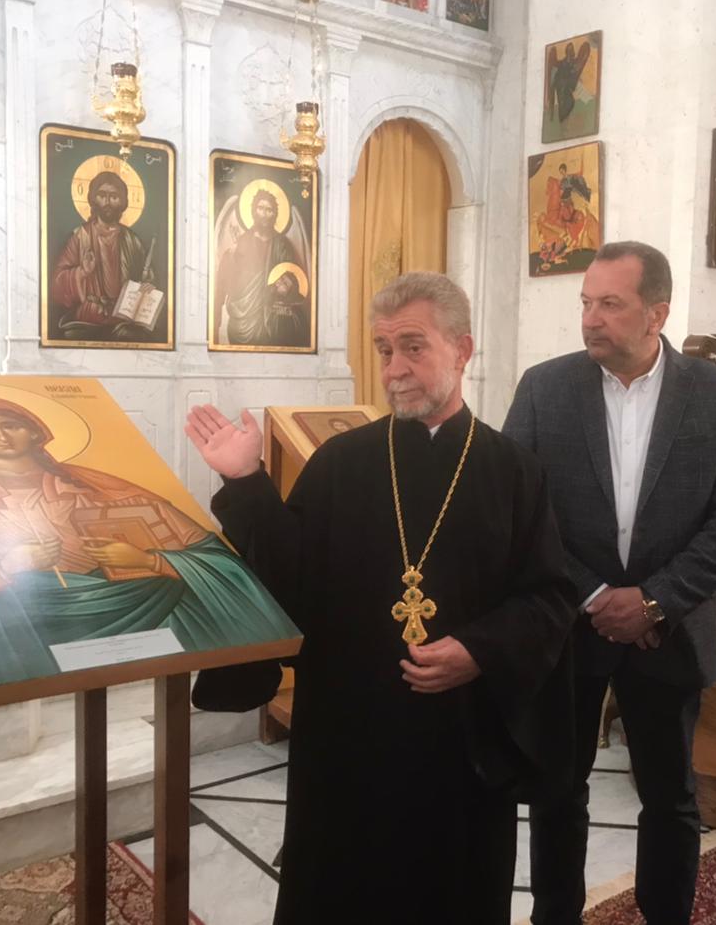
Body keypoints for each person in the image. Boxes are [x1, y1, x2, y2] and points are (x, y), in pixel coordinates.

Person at [185, 272, 577, 925]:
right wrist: (246, 481)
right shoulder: (340, 463)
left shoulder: (515, 472)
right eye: (384, 350)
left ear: (463, 349)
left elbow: (549, 598)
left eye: (413, 347)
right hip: (349, 740)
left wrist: (480, 651)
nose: (394, 369)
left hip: (459, 746)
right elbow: (289, 582)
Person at [503, 241, 716, 925]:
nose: (590, 318)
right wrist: (594, 596)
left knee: (671, 798)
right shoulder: (544, 388)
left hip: (667, 632)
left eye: (610, 304)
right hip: (569, 627)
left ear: (657, 314)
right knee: (558, 790)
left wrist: (654, 601)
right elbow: (520, 508)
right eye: (586, 302)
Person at [0, 395, 296, 707]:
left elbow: (211, 559)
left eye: (11, 424)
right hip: (20, 634)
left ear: (36, 430)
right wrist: (4, 569)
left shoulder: (104, 486)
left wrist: (150, 561)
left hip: (138, 616)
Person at [51, 171, 156, 342]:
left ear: (123, 202)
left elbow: (145, 279)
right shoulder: (80, 237)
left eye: (114, 197)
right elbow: (57, 284)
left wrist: (147, 287)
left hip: (123, 317)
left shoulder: (132, 241)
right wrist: (82, 272)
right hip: (90, 314)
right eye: (102, 196)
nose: (107, 202)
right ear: (93, 199)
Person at [214, 189, 309, 348]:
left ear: (275, 214)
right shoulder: (241, 242)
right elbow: (227, 279)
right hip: (243, 314)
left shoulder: (283, 245)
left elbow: (293, 277)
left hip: (274, 316)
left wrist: (286, 287)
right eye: (260, 208)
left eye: (269, 210)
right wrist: (232, 255)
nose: (264, 214)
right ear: (253, 211)